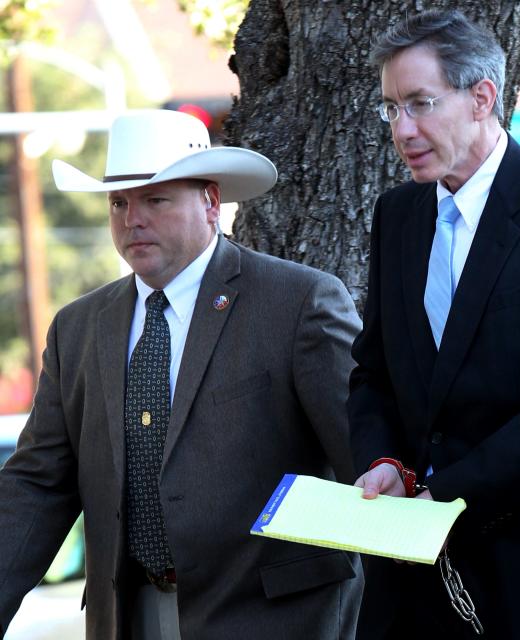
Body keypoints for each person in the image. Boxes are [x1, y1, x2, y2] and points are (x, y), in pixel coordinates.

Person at [0, 109, 363, 639]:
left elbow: (369, 461)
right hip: (129, 615)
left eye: (156, 199)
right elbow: (38, 483)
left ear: (211, 202)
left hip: (276, 618)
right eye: (119, 202)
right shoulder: (77, 329)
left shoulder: (297, 302)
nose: (132, 219)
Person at [348, 9, 520, 639]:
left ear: (483, 98)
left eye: (420, 103)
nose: (402, 128)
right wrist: (384, 460)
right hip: (420, 573)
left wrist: (449, 495)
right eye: (390, 108)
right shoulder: (398, 216)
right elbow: (374, 373)